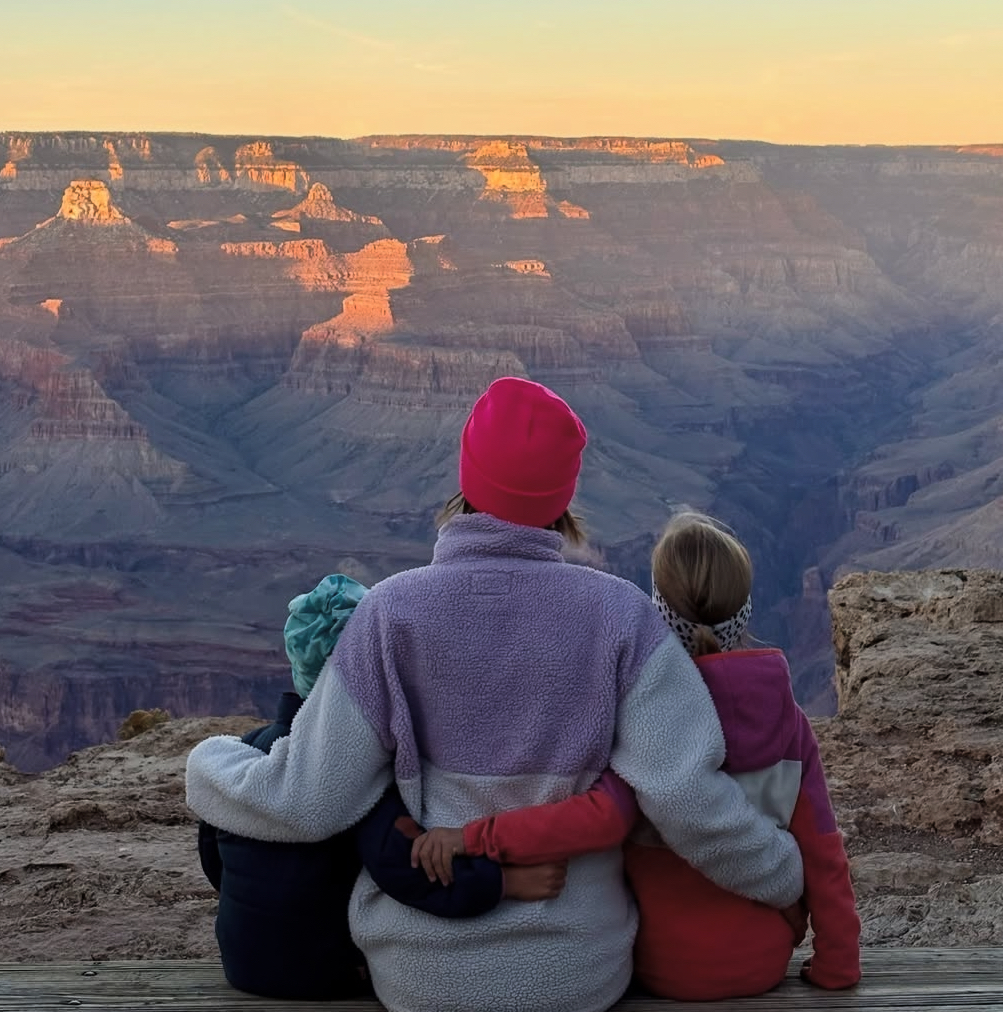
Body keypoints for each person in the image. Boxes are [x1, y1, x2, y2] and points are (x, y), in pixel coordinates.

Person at [187, 377, 803, 1012]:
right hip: (577, 973)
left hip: (421, 974)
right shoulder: (621, 618)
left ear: (467, 480)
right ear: (564, 498)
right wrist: (782, 874)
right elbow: (684, 797)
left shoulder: (391, 613)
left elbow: (307, 800)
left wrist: (209, 761)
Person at [413, 511, 861, 1001]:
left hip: (656, 963)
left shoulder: (642, 719)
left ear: (658, 608)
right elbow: (822, 849)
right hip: (762, 960)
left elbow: (596, 819)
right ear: (745, 609)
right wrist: (837, 962)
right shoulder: (787, 720)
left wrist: (476, 836)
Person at [196, 573, 560, 1000]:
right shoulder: (356, 768)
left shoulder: (249, 750)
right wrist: (503, 884)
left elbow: (213, 859)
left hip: (241, 962)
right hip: (324, 972)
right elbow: (402, 868)